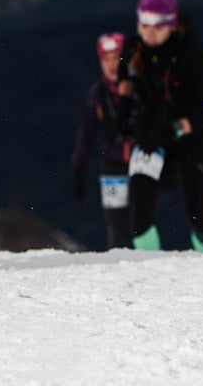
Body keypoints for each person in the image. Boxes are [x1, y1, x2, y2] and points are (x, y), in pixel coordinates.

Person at [118, 0, 203, 252]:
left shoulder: (194, 56)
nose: (149, 35)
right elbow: (127, 88)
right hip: (153, 136)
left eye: (157, 28)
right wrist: (127, 118)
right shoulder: (132, 50)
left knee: (197, 212)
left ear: (172, 26)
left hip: (194, 140)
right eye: (144, 27)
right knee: (140, 207)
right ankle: (149, 272)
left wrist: (178, 126)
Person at [71, 32, 134, 249]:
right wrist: (79, 167)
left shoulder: (140, 86)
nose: (112, 65)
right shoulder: (98, 94)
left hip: (142, 161)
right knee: (117, 225)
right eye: (106, 59)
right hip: (113, 164)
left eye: (116, 58)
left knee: (142, 222)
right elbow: (87, 133)